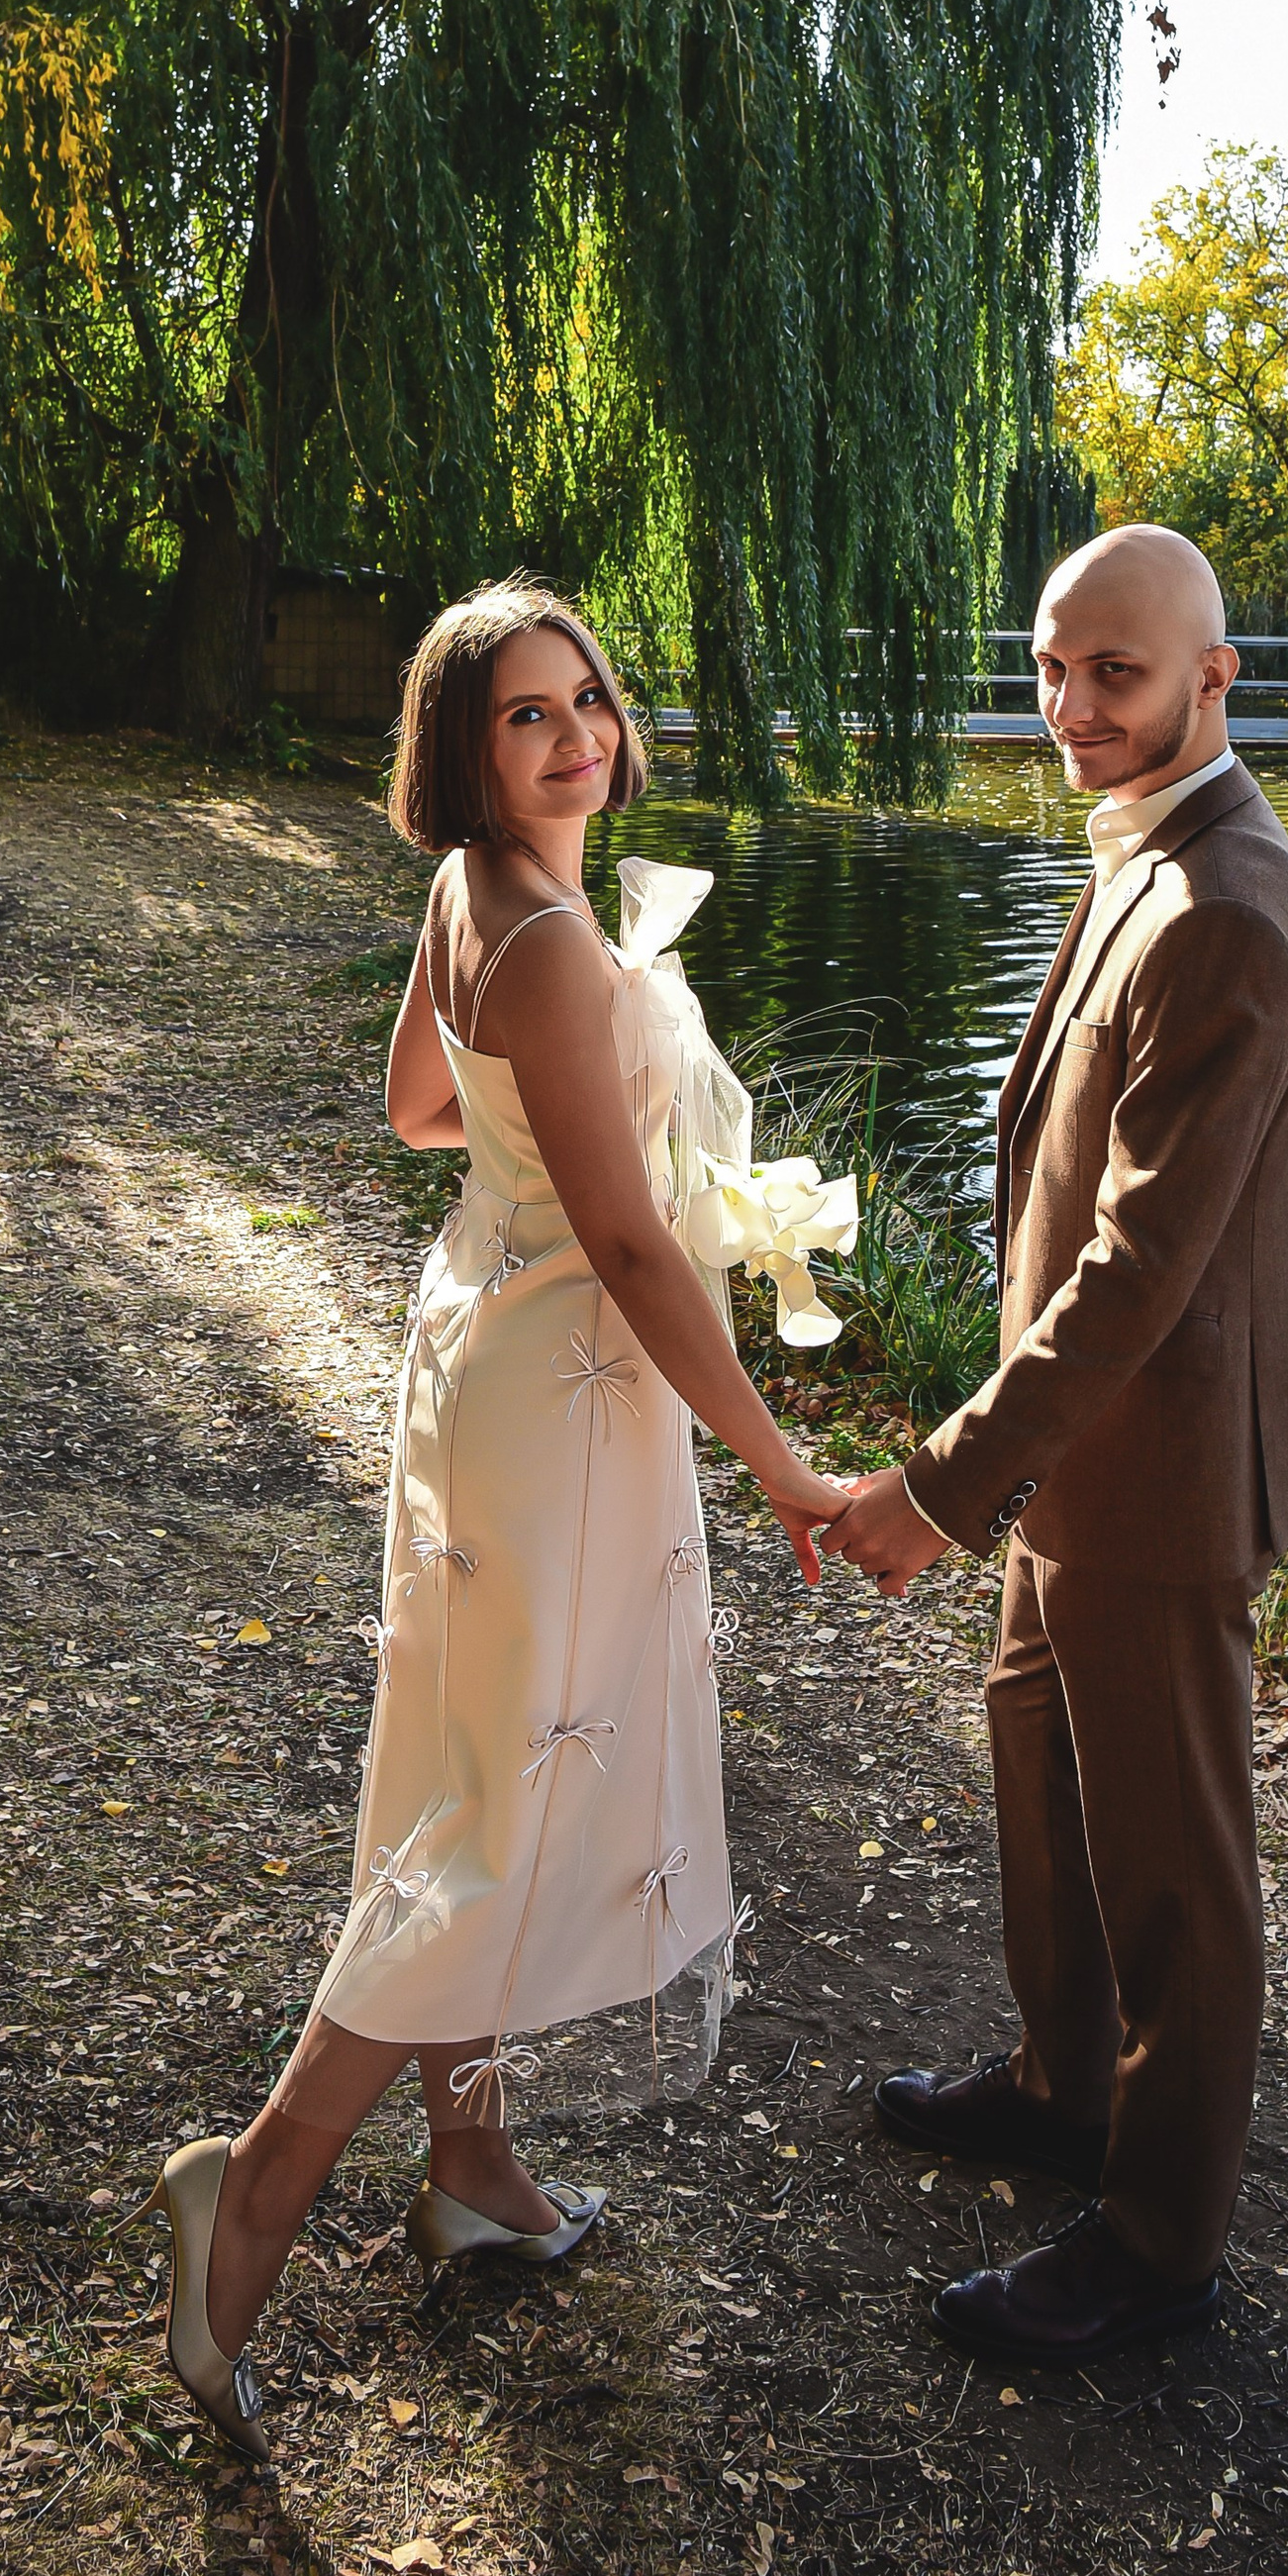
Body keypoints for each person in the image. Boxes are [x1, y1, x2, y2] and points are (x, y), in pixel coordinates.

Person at [149, 580, 853, 2456]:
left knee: (470, 1753)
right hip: (557, 1399)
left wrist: (560, 1142)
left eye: (588, 703)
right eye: (525, 717)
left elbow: (411, 1106)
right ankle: (261, 2191)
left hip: (479, 1349)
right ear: (461, 752)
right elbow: (624, 1244)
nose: (574, 740)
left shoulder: (476, 899)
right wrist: (778, 1449)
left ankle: (472, 2163)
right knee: (504, 1799)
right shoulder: (541, 939)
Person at [825, 526, 1288, 2367]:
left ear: (1215, 677)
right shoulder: (1150, 849)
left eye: (1112, 674)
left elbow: (1135, 1273)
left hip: (1168, 1466)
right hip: (1089, 1462)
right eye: (1051, 666)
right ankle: (1064, 2090)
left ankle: (1161, 2239)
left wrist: (941, 1488)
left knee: (1178, 1873)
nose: (1068, 708)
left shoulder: (1229, 911)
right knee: (1041, 1772)